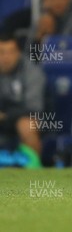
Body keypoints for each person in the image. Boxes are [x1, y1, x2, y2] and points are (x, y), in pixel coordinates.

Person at [0, 33, 45, 167]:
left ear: (18, 53)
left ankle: (33, 169)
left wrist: (6, 116)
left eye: (10, 52)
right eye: (1, 52)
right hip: (4, 119)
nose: (6, 58)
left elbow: (34, 108)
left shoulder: (33, 73)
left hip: (31, 118)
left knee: (26, 125)